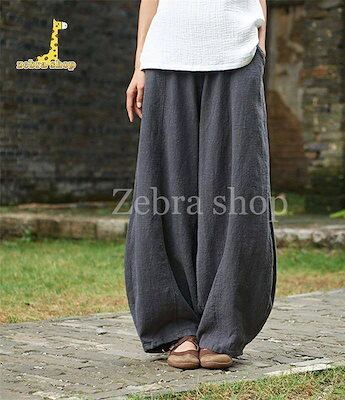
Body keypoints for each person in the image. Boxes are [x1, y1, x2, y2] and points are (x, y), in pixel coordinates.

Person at [125, 0, 276, 370]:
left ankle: (223, 326)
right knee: (165, 192)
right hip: (167, 54)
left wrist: (259, 48)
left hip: (238, 53)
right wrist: (140, 63)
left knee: (238, 191)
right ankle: (176, 328)